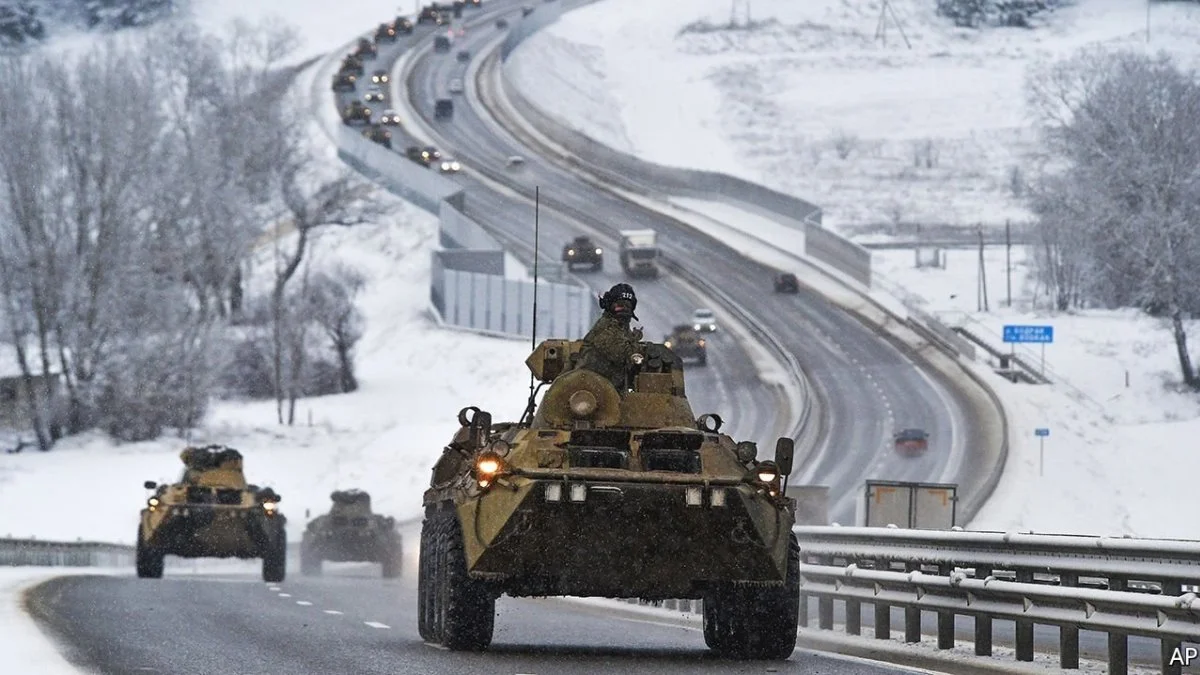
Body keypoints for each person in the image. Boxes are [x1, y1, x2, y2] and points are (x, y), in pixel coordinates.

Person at [576, 283, 644, 391]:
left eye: (628, 306)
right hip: (590, 390)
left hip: (606, 389)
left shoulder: (621, 327)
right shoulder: (606, 328)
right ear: (609, 305)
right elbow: (625, 355)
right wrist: (635, 341)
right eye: (620, 305)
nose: (624, 310)